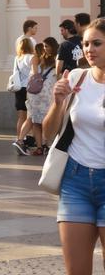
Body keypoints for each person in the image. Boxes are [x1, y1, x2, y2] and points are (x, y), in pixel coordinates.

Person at [43, 18, 105, 275]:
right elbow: (48, 133)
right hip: (75, 181)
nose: (89, 49)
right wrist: (58, 102)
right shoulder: (77, 78)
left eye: (97, 43)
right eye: (86, 44)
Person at [27, 37, 60, 156]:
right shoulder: (41, 59)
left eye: (47, 46)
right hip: (38, 95)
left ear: (53, 46)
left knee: (48, 121)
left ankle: (48, 144)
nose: (45, 48)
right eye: (44, 46)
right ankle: (40, 146)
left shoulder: (58, 58)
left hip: (49, 95)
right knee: (36, 121)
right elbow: (34, 73)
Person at [9, 36, 36, 155]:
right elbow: (34, 73)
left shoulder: (17, 58)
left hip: (19, 88)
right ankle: (29, 138)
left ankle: (19, 138)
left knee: (21, 117)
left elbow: (14, 73)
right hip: (29, 88)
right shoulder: (31, 57)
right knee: (31, 116)